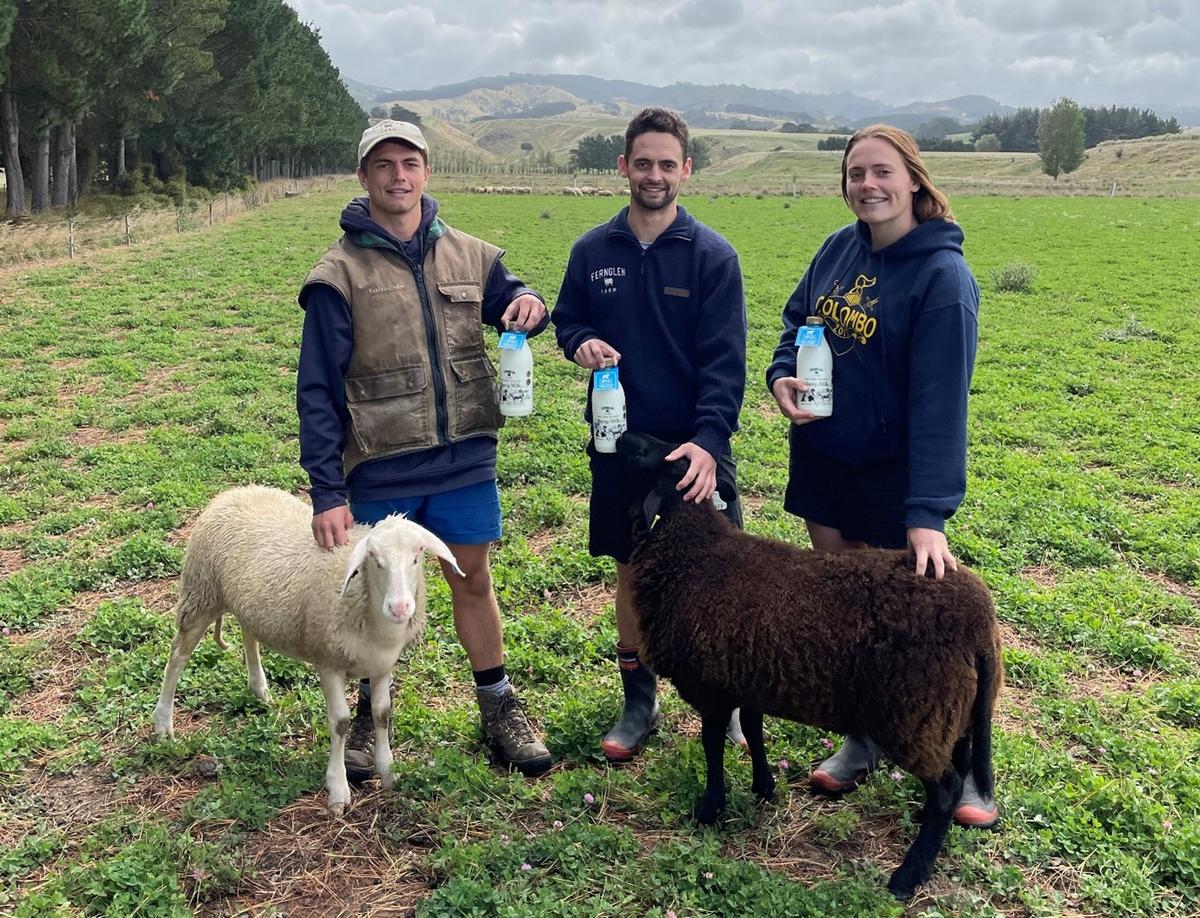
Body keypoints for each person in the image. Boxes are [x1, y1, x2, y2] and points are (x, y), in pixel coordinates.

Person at [297, 120, 552, 777]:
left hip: (465, 456)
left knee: (474, 581)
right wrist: (327, 491)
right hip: (381, 465)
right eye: (383, 165)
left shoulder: (473, 255)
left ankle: (499, 708)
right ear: (364, 177)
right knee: (374, 598)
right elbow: (317, 390)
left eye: (409, 162)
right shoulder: (337, 275)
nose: (397, 175)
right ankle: (363, 720)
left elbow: (513, 299)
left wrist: (526, 301)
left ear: (427, 171)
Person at [765, 124, 993, 827]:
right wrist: (779, 376)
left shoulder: (943, 279)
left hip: (894, 477)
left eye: (882, 172)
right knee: (847, 620)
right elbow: (795, 322)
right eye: (855, 173)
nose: (868, 185)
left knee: (921, 631)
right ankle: (862, 739)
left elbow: (941, 403)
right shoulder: (838, 250)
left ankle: (972, 764)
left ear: (915, 180)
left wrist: (926, 513)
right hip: (826, 464)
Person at [552, 107, 748, 763]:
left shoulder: (715, 257)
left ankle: (737, 707)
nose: (655, 175)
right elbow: (567, 321)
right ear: (623, 167)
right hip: (618, 447)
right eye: (644, 163)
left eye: (668, 164)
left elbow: (726, 365)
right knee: (632, 576)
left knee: (720, 579)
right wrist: (579, 344)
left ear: (686, 170)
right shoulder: (591, 251)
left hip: (692, 448)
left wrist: (710, 444)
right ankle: (639, 701)